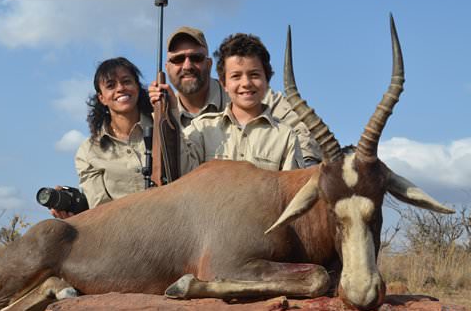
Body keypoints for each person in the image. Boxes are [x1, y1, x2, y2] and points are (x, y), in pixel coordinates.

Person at [151, 26, 321, 166]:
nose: (246, 83)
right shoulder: (201, 129)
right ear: (224, 83)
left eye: (196, 57)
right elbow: (181, 170)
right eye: (178, 59)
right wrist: (169, 112)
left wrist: (309, 167)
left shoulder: (285, 135)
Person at [51, 57, 153, 218]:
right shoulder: (88, 151)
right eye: (111, 85)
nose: (120, 89)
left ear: (137, 88)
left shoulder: (165, 127)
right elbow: (100, 208)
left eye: (127, 81)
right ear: (101, 98)